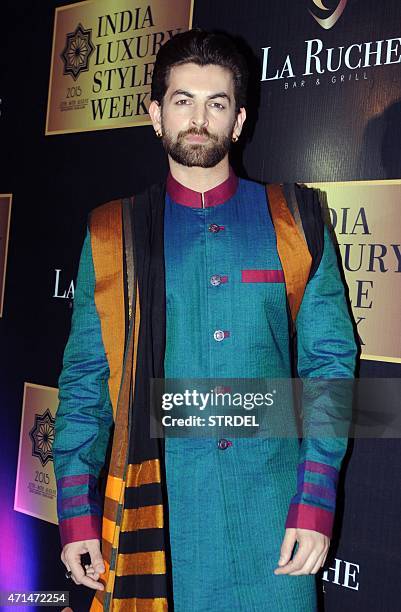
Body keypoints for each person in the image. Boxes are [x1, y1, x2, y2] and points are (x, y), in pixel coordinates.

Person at [53, 29, 357, 611]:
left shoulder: (296, 221)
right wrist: (75, 511)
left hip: (275, 525)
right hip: (160, 517)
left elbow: (330, 367)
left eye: (216, 103)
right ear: (155, 115)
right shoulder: (112, 233)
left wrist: (315, 500)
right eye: (182, 101)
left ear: (238, 120)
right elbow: (86, 383)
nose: (199, 119)